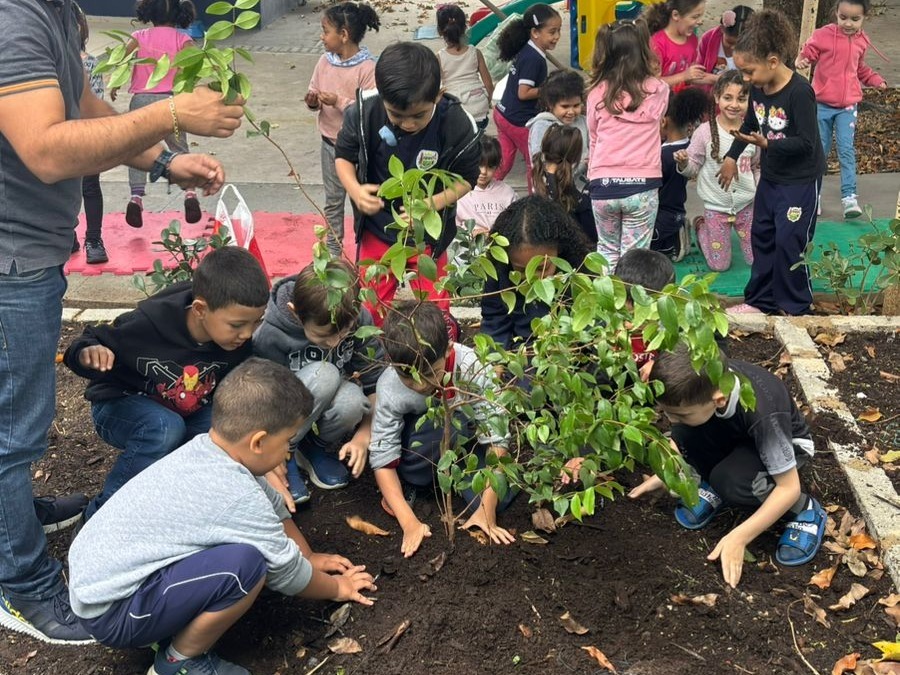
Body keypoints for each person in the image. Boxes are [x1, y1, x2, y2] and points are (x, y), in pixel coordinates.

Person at [0, 0, 243, 644]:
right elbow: (49, 150)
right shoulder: (12, 20)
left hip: (31, 250)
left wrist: (163, 160)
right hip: (7, 260)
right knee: (11, 435)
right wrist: (170, 112)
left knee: (17, 421)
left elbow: (84, 106)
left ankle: (14, 514)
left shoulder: (52, 11)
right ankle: (20, 583)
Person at [68, 358, 377, 675]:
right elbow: (288, 574)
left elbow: (273, 504)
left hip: (109, 579)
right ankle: (179, 661)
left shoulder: (209, 449)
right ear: (257, 442)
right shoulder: (236, 495)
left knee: (241, 554)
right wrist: (337, 589)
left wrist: (308, 555)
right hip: (114, 611)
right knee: (246, 566)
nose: (287, 452)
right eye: (287, 442)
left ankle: (170, 622)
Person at [63, 247, 269, 519]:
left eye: (256, 323)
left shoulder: (235, 341)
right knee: (163, 428)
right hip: (120, 406)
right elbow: (87, 341)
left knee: (225, 430)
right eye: (237, 325)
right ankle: (101, 516)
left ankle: (185, 511)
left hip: (185, 410)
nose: (246, 334)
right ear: (200, 310)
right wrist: (88, 353)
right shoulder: (147, 325)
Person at [630, 344, 824, 589]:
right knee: (686, 433)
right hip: (735, 436)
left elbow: (788, 488)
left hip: (787, 448)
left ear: (719, 400)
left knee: (731, 482)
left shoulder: (762, 412)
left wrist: (739, 537)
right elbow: (683, 430)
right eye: (667, 413)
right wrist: (669, 468)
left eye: (680, 414)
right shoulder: (703, 385)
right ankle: (717, 480)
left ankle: (805, 511)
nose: (670, 420)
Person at [335, 41, 480, 328]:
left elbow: (467, 179)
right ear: (382, 97)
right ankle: (370, 361)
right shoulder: (364, 113)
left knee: (435, 308)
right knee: (370, 306)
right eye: (397, 115)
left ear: (438, 95)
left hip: (428, 237)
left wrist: (430, 205)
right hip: (378, 227)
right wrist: (355, 189)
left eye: (418, 116)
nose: (408, 124)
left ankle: (437, 359)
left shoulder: (456, 122)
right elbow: (343, 156)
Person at [370, 300, 516, 558]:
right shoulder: (390, 385)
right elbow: (382, 456)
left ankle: (459, 476)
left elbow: (497, 437)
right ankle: (420, 481)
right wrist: (409, 522)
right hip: (422, 443)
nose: (420, 385)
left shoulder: (473, 368)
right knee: (437, 427)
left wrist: (486, 510)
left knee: (497, 497)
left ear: (448, 351)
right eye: (408, 378)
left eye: (431, 373)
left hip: (467, 441)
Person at [719, 10, 826, 316]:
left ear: (773, 61)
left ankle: (796, 306)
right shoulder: (758, 90)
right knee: (762, 236)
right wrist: (731, 155)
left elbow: (807, 143)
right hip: (772, 178)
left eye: (750, 71)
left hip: (801, 181)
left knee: (790, 241)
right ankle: (760, 301)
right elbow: (751, 127)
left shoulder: (800, 93)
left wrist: (769, 144)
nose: (746, 80)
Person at [253, 259, 384, 501]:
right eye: (323, 335)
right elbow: (262, 398)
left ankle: (313, 446)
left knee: (353, 403)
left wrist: (364, 434)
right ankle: (284, 452)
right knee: (325, 374)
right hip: (281, 414)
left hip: (322, 403)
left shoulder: (359, 320)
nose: (335, 342)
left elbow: (375, 383)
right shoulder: (271, 334)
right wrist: (270, 451)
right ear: (295, 312)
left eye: (344, 333)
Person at [586, 18, 670, 268]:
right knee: (634, 258)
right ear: (645, 51)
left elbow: (593, 135)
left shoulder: (596, 94)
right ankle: (632, 305)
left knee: (607, 250)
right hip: (641, 186)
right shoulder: (659, 90)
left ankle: (605, 304)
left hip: (603, 184)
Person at [112, 0, 201, 228]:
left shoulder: (139, 37)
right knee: (180, 149)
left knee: (136, 148)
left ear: (148, 13)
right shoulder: (183, 40)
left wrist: (114, 85)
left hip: (141, 100)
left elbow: (120, 61)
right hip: (172, 101)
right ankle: (190, 194)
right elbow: (196, 64)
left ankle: (136, 197)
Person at [796, 0, 888, 220]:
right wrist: (802, 59)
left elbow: (860, 69)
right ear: (835, 13)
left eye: (855, 19)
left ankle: (849, 198)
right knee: (820, 152)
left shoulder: (861, 41)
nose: (848, 23)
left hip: (848, 107)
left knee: (846, 151)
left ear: (865, 18)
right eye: (843, 17)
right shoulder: (823, 35)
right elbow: (809, 51)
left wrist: (876, 80)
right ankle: (813, 195)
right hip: (821, 105)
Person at [305, 1, 380, 257]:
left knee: (361, 203)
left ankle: (365, 255)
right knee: (333, 203)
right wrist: (313, 101)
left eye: (326, 31)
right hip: (330, 145)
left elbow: (369, 111)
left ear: (344, 35)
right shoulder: (324, 62)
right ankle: (334, 256)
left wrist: (337, 101)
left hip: (358, 152)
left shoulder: (367, 69)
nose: (321, 37)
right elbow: (313, 90)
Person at [481, 196, 591, 351]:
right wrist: (497, 358)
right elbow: (494, 319)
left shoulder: (580, 274)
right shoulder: (498, 271)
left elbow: (591, 325)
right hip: (523, 352)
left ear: (559, 251)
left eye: (541, 268)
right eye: (521, 270)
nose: (533, 279)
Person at [675, 69, 759, 272]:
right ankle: (701, 226)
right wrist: (684, 163)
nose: (734, 104)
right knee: (719, 266)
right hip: (716, 208)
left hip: (746, 206)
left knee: (755, 259)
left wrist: (759, 186)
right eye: (727, 97)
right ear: (716, 97)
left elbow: (757, 165)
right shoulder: (704, 132)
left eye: (741, 98)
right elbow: (692, 166)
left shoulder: (753, 130)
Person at [493, 3, 562, 189]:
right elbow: (523, 93)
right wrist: (551, 89)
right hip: (519, 122)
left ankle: (480, 190)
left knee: (504, 162)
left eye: (558, 31)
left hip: (502, 114)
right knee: (536, 164)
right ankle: (535, 202)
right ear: (535, 32)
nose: (557, 37)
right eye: (552, 32)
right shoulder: (535, 59)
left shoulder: (527, 49)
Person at [652, 87, 708, 261]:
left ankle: (674, 239)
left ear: (663, 121)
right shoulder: (690, 146)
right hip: (677, 210)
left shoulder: (662, 155)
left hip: (662, 215)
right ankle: (678, 228)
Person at [75, 2, 108, 264]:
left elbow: (95, 101)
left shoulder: (89, 63)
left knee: (88, 186)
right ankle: (71, 237)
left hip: (86, 136)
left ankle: (93, 239)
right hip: (64, 136)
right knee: (75, 188)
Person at [531, 124, 595, 243]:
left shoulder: (540, 173)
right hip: (575, 246)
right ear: (575, 156)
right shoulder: (571, 184)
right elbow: (589, 229)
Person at [525, 68, 589, 185]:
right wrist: (583, 165)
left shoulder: (583, 122)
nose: (571, 112)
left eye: (576, 105)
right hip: (553, 190)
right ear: (550, 104)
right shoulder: (542, 127)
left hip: (580, 189)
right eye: (565, 106)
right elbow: (542, 165)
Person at [437, 3, 494, 131]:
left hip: (455, 110)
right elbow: (489, 85)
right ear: (465, 28)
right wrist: (486, 101)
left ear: (440, 31)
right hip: (479, 107)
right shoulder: (475, 52)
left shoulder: (440, 57)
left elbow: (435, 88)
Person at [455, 135, 518, 236]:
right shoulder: (459, 193)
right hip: (469, 249)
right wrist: (470, 235)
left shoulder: (507, 193)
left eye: (490, 167)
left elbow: (516, 224)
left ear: (497, 166)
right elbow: (451, 230)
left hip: (500, 248)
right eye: (479, 165)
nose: (483, 171)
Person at [645, 0, 712, 92]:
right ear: (675, 15)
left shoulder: (692, 40)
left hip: (681, 100)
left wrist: (718, 78)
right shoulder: (657, 43)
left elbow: (692, 75)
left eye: (700, 16)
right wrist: (683, 76)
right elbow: (651, 83)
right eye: (695, 17)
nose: (700, 22)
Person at [697, 6, 755, 89]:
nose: (733, 48)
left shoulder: (756, 48)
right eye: (729, 42)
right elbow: (696, 74)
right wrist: (719, 79)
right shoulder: (708, 39)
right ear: (722, 29)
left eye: (740, 45)